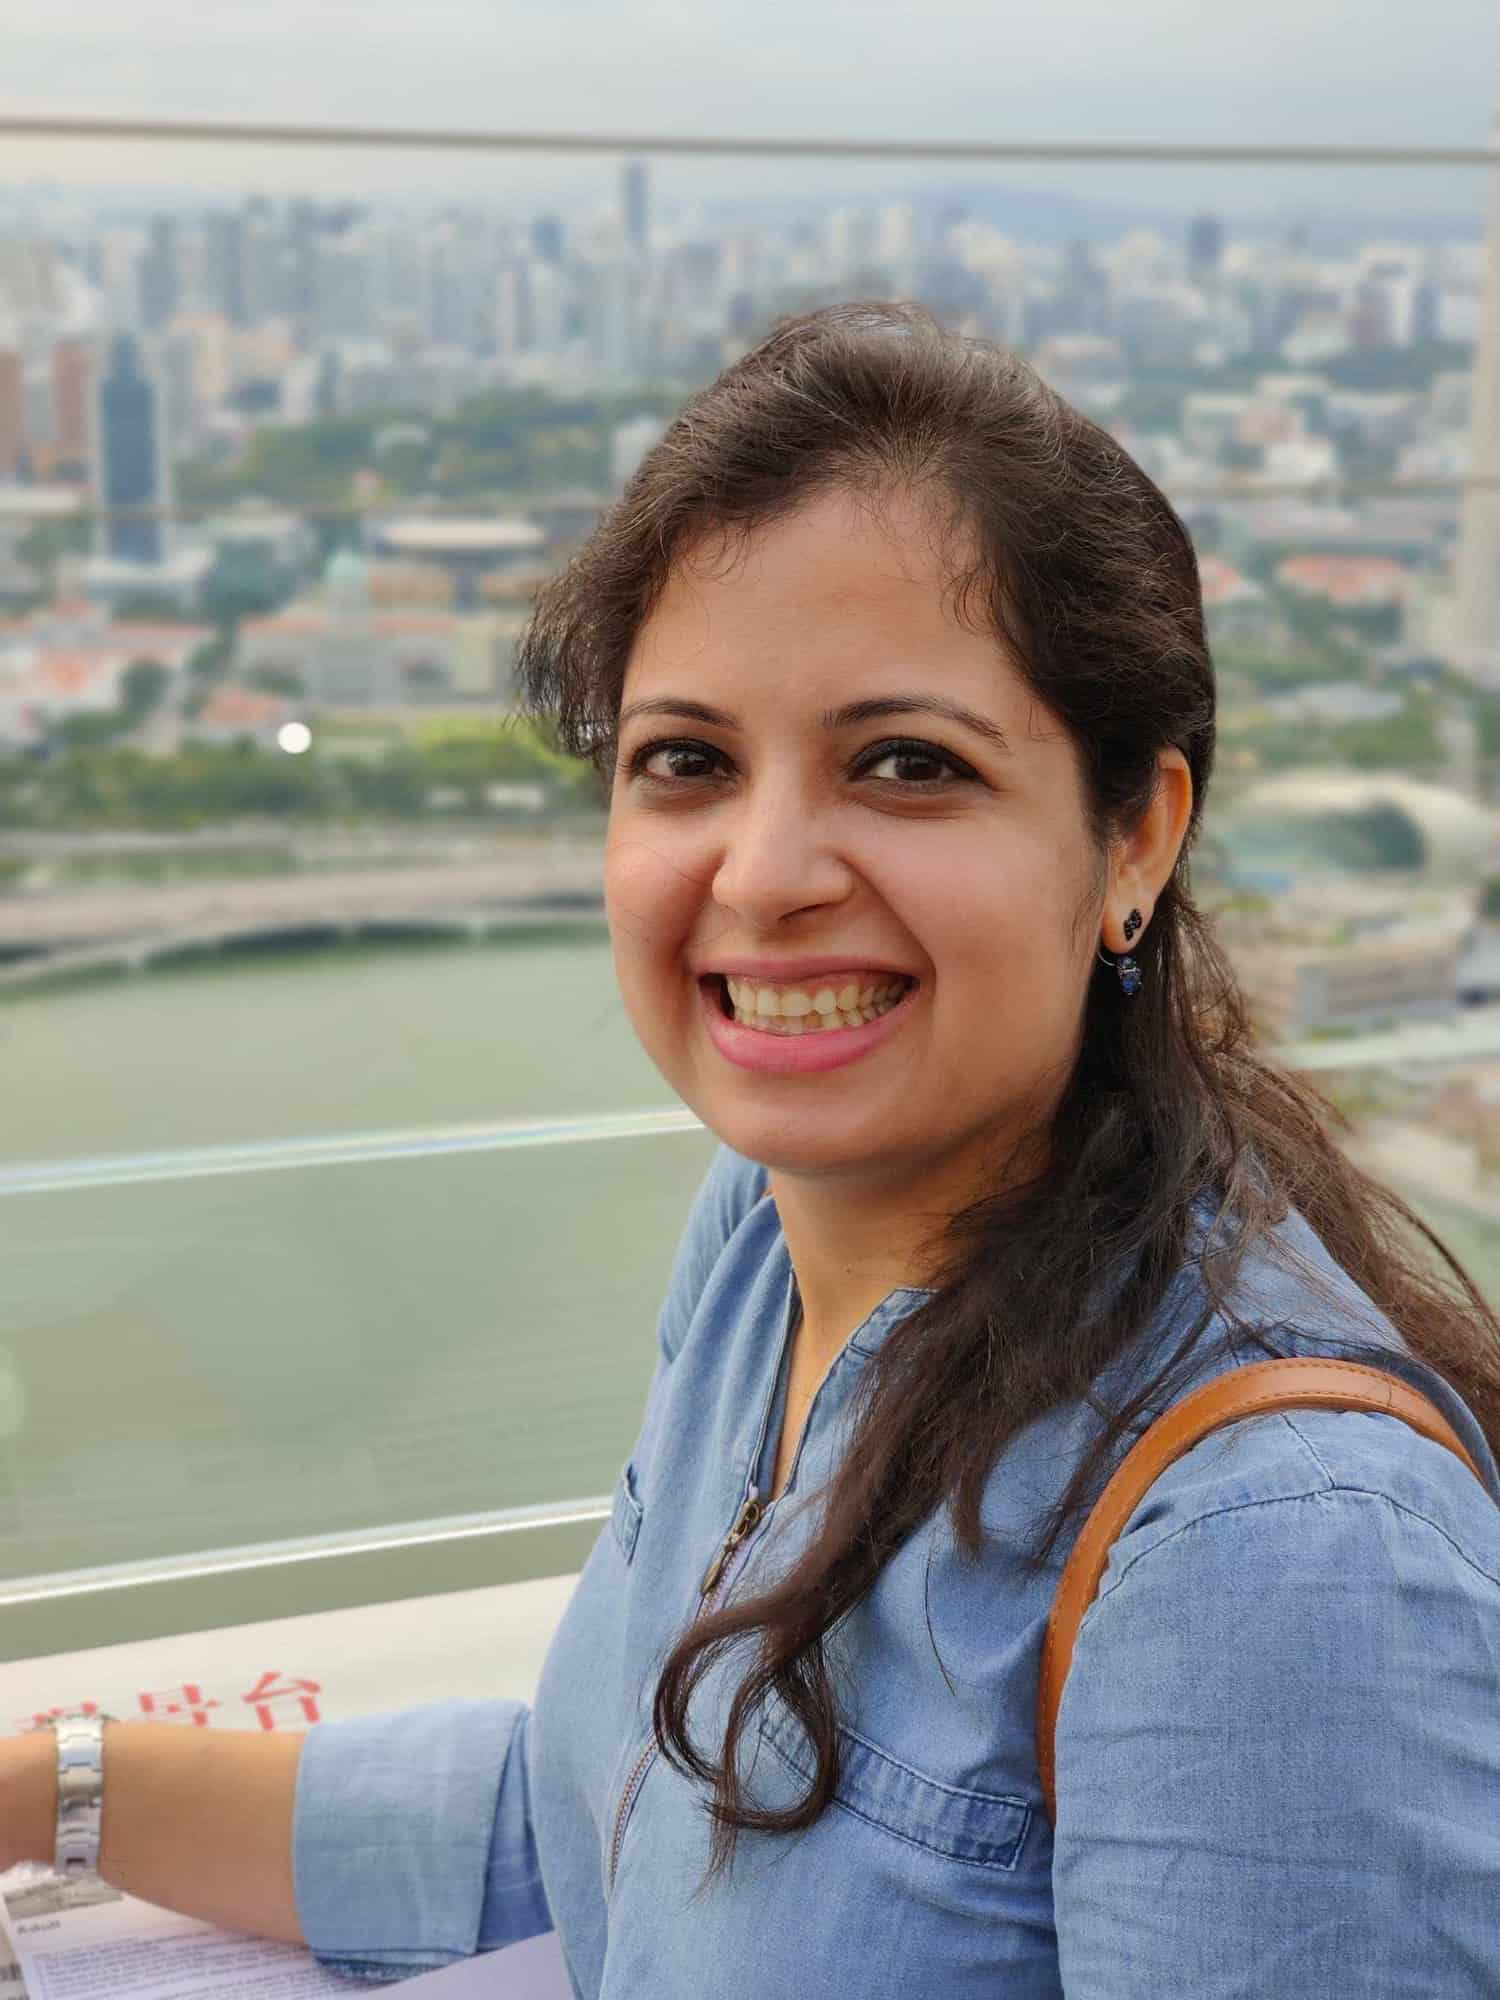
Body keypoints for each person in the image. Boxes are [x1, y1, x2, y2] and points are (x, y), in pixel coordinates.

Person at [5, 303, 1500, 1996]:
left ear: (1136, 837)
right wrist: (50, 1789)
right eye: (687, 762)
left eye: (908, 764)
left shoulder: (1275, 1557)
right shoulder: (765, 1242)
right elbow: (600, 1815)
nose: (767, 870)